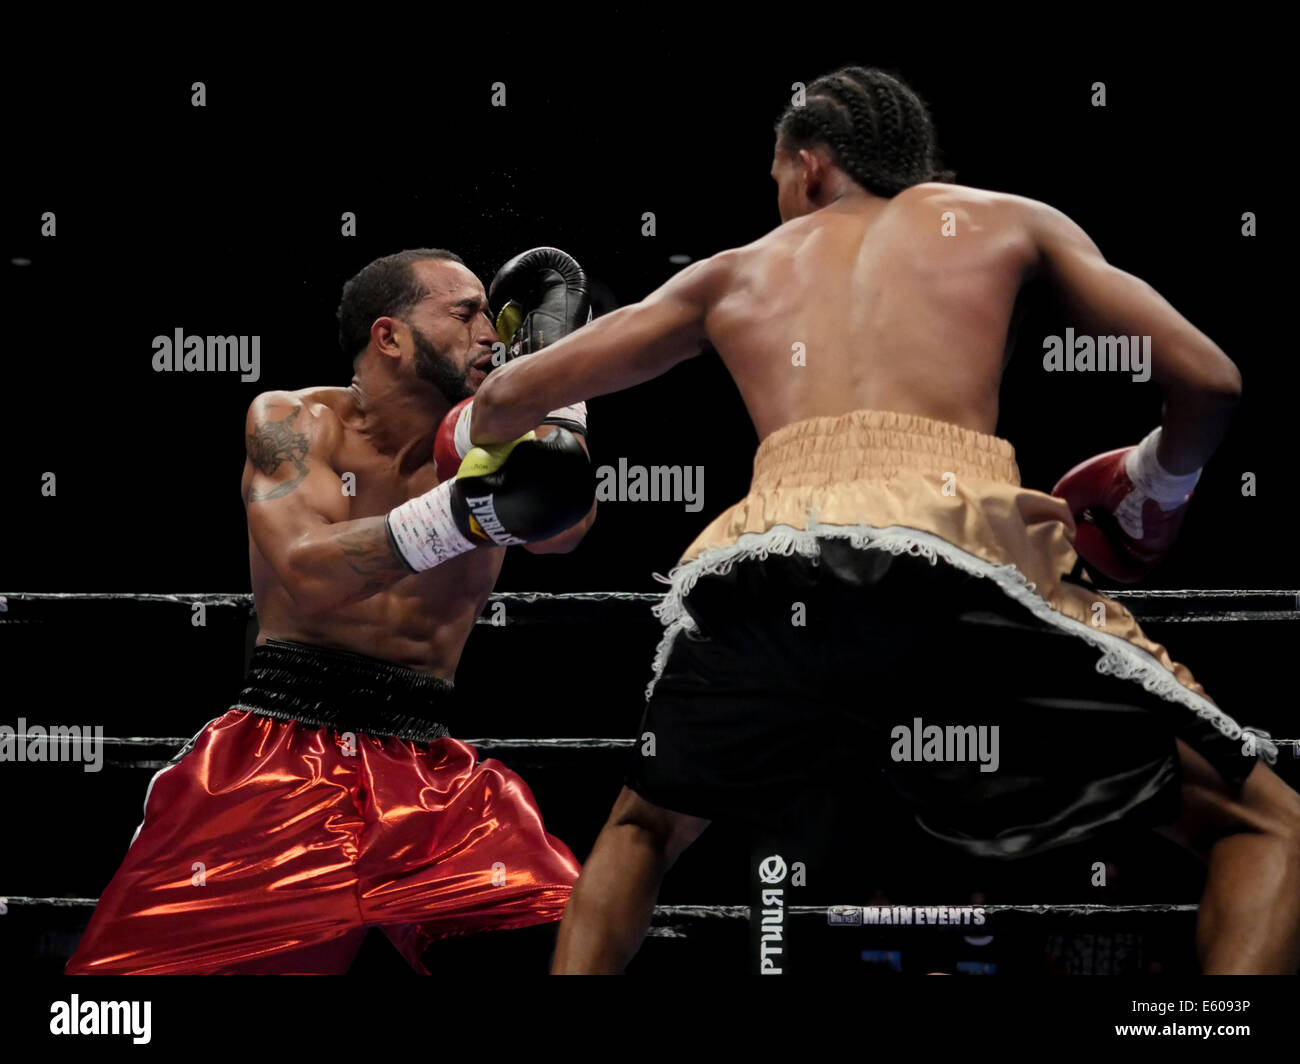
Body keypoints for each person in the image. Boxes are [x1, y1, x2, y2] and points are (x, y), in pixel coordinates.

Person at [467, 67, 1300, 975]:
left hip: (763, 565)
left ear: (812, 164)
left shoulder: (730, 272)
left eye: (778, 176)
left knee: (641, 829)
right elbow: (1212, 381)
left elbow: (503, 401)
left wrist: (552, 409)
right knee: (1265, 826)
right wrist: (1155, 486)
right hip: (953, 550)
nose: (781, 199)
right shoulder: (1010, 219)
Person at [67, 247, 597, 974]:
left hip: (430, 778)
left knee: (570, 951)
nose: (490, 334)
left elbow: (563, 529)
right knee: (107, 1015)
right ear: (389, 336)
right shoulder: (293, 419)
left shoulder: (498, 436)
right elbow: (309, 572)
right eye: (464, 313)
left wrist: (560, 392)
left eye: (492, 316)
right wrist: (466, 515)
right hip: (273, 761)